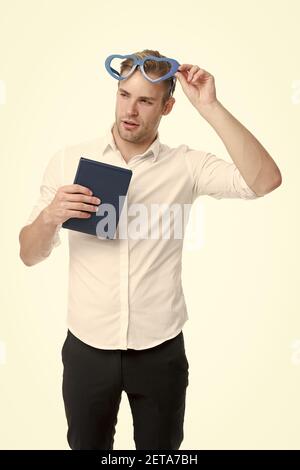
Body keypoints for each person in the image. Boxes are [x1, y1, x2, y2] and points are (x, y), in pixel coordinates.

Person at [18, 49, 282, 450]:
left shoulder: (187, 165)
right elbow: (28, 254)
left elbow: (265, 181)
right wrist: (51, 215)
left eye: (145, 101)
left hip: (160, 352)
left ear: (168, 106)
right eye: (124, 95)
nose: (131, 110)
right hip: (87, 349)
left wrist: (210, 107)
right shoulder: (69, 160)